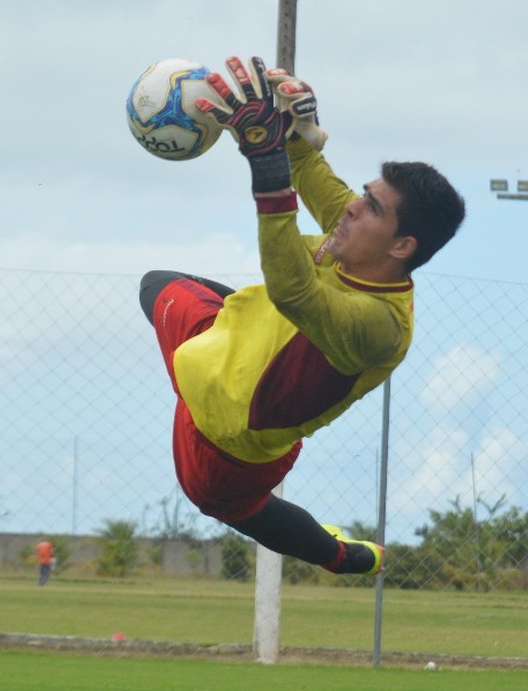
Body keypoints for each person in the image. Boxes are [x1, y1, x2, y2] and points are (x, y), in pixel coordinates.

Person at [139, 56, 465, 576]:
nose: (354, 208)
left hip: (228, 448)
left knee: (239, 509)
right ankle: (222, 346)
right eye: (364, 195)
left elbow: (292, 292)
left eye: (373, 209)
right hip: (209, 352)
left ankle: (344, 558)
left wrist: (266, 166)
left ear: (403, 246)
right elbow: (311, 170)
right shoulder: (357, 235)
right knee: (155, 285)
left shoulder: (381, 328)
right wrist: (293, 134)